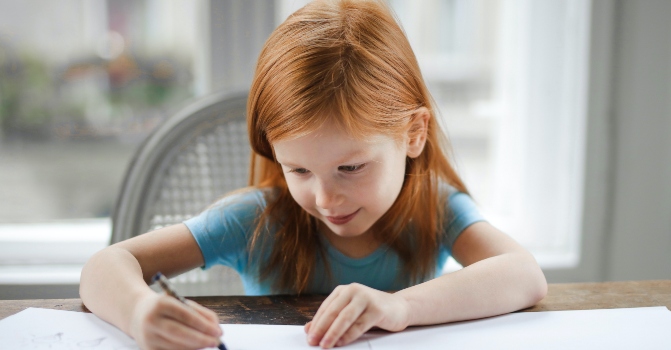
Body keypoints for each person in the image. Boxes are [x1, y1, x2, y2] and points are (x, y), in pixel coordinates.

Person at [79, 0, 547, 349]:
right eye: (298, 169)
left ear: (413, 133)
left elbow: (524, 275)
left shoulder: (435, 206)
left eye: (350, 167)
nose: (325, 198)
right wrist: (138, 311)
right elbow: (105, 266)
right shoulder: (255, 220)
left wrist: (401, 306)